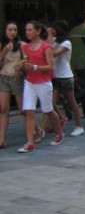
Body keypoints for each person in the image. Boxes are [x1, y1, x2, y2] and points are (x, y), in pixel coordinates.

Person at [17, 21, 65, 153]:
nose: (27, 32)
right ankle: (30, 142)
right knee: (29, 110)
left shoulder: (46, 47)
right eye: (26, 30)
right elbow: (26, 60)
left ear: (38, 31)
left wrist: (35, 67)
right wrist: (21, 66)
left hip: (43, 82)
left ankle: (59, 132)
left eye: (30, 30)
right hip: (30, 82)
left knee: (48, 110)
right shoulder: (26, 47)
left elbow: (51, 66)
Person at [48, 21, 85, 137]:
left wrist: (49, 40)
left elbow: (53, 54)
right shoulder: (54, 42)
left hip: (66, 77)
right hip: (56, 76)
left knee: (71, 102)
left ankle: (79, 126)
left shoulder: (66, 43)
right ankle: (61, 118)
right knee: (50, 103)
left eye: (53, 29)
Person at [0, 21, 26, 149]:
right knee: (4, 109)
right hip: (4, 77)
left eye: (15, 30)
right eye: (10, 30)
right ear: (5, 31)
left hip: (16, 78)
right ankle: (2, 140)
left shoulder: (21, 45)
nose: (12, 32)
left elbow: (27, 59)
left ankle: (37, 130)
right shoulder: (3, 46)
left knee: (22, 109)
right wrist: (4, 52)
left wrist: (21, 66)